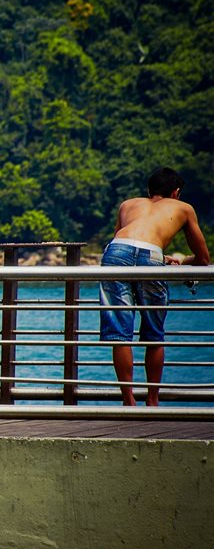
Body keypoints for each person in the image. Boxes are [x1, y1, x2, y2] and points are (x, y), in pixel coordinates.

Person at [100, 167, 209, 407]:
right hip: (151, 255)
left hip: (116, 251)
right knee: (154, 333)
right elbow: (203, 258)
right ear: (176, 192)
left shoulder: (128, 204)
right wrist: (180, 260)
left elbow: (125, 241)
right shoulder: (183, 208)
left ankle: (128, 402)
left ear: (149, 190)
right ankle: (152, 400)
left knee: (120, 333)